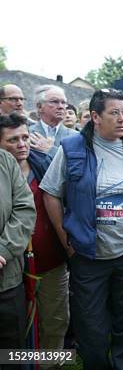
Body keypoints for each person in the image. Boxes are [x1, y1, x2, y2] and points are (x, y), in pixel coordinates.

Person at [40, 88, 123, 370]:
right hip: (88, 254)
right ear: (95, 116)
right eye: (114, 113)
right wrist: (65, 237)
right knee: (91, 327)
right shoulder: (71, 150)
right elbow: (50, 192)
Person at [0, 113, 70, 359]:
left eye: (25, 138)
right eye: (12, 140)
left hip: (51, 259)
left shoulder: (45, 164)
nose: (22, 145)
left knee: (56, 317)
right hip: (12, 266)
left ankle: (50, 363)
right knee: (17, 324)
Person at [0, 142, 36, 356]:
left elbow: (24, 209)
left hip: (6, 281)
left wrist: (3, 249)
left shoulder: (5, 160)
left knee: (10, 353)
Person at [29, 85, 77, 157]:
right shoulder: (28, 134)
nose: (61, 107)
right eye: (54, 101)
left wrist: (51, 150)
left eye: (63, 102)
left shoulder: (76, 136)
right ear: (39, 106)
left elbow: (77, 164)